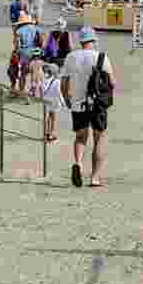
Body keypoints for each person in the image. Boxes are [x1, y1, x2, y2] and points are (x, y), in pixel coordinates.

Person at [61, 27, 115, 188]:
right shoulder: (102, 57)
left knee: (80, 137)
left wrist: (66, 99)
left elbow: (64, 83)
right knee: (99, 138)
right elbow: (113, 82)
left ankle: (78, 163)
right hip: (97, 103)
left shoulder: (71, 57)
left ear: (81, 41)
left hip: (78, 103)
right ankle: (95, 177)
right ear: (94, 40)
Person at [12, 12, 39, 96]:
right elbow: (40, 41)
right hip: (35, 51)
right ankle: (33, 90)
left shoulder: (19, 31)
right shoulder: (35, 29)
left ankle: (22, 91)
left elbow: (16, 45)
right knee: (34, 72)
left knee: (23, 74)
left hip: (24, 52)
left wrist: (16, 52)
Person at [41, 63, 63, 142]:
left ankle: (45, 134)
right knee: (53, 119)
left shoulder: (44, 79)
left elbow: (42, 90)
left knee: (46, 119)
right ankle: (51, 135)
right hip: (54, 102)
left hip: (46, 101)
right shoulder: (57, 81)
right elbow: (59, 93)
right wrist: (63, 102)